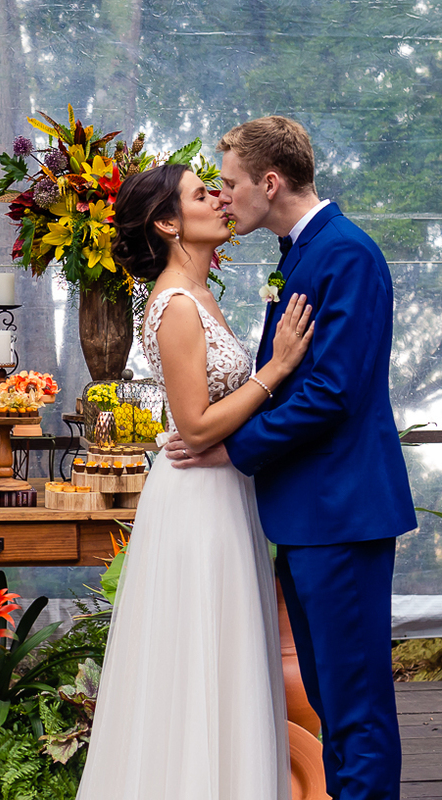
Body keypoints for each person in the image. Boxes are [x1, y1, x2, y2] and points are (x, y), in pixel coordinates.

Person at [166, 116, 415, 800]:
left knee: (356, 708)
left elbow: (333, 394)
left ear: (269, 183)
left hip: (342, 516)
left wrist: (229, 449)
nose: (222, 198)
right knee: (333, 706)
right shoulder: (301, 255)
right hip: (308, 518)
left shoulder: (347, 255)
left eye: (229, 183)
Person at [75, 162, 315, 800]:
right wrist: (280, 368)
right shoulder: (176, 305)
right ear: (168, 222)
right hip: (196, 503)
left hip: (226, 495)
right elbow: (196, 423)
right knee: (196, 659)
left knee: (228, 659)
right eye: (200, 194)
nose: (218, 198)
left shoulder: (205, 295)